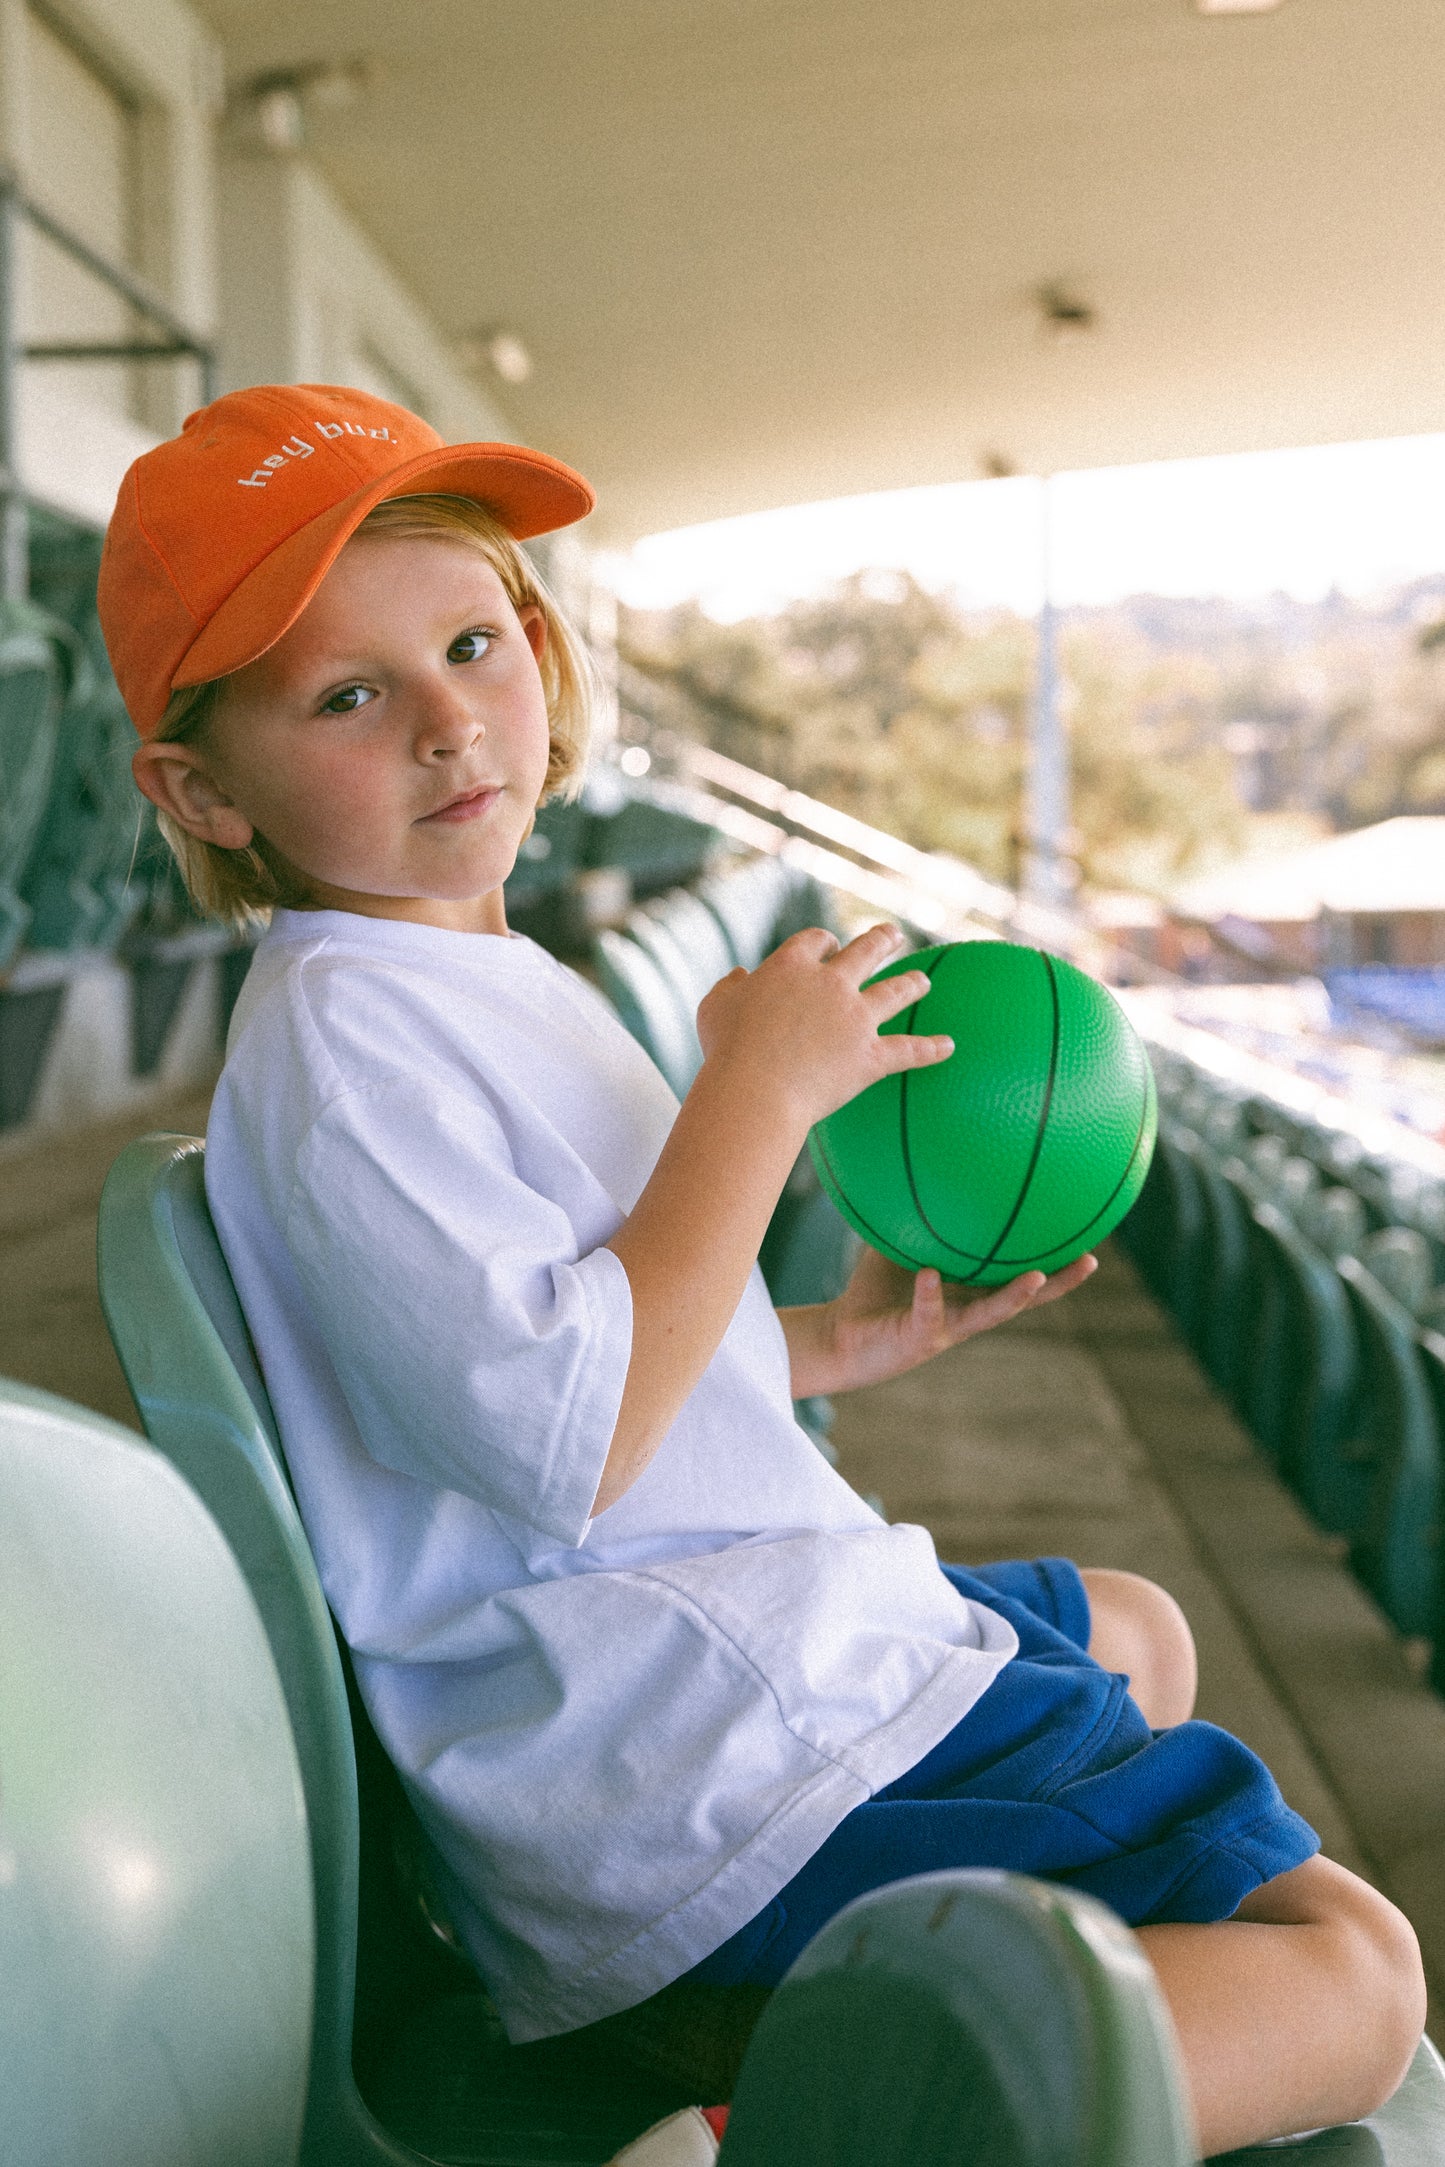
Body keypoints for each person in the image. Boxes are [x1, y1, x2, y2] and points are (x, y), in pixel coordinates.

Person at [103, 383, 1423, 2158]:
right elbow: (568, 1437)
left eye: (474, 644)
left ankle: (897, 2044)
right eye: (347, 695)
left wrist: (820, 1345)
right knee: (1352, 1973)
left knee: (1138, 1630)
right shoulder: (351, 1042)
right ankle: (801, 2124)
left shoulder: (461, 978)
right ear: (202, 785)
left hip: (702, 1686)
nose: (444, 723)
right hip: (693, 1784)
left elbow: (567, 1343)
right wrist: (750, 1091)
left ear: (545, 652)